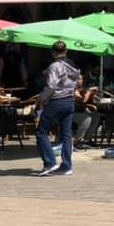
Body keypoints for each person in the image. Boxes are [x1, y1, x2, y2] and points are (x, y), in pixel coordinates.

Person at [35, 41, 79, 176]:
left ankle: (49, 163)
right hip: (70, 101)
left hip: (57, 101)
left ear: (53, 52)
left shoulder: (55, 66)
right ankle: (66, 165)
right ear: (66, 51)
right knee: (66, 134)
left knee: (41, 131)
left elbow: (51, 86)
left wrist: (42, 98)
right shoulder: (73, 65)